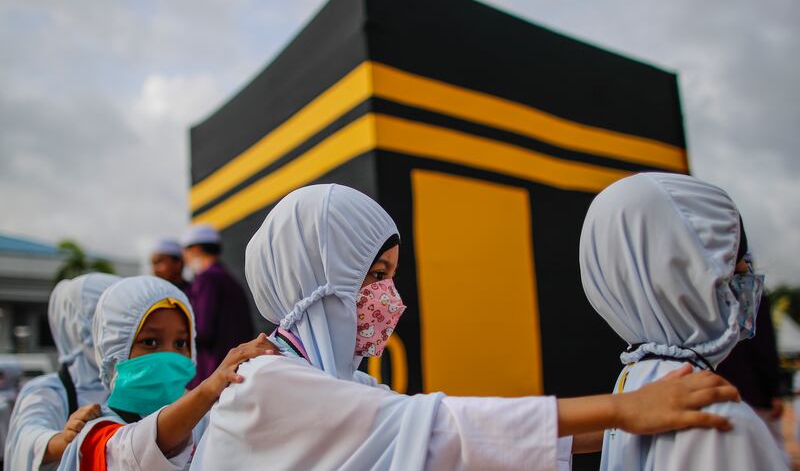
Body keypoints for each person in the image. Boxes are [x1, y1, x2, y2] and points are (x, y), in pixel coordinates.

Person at [191, 184, 740, 471]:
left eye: (391, 276)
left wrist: (631, 419)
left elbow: (466, 440)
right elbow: (439, 427)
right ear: (317, 276)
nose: (388, 296)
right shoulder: (264, 382)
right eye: (375, 275)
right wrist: (621, 410)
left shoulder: (347, 389)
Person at [579, 172, 788, 470]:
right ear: (697, 272)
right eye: (736, 261)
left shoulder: (636, 385)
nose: (746, 276)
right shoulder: (718, 418)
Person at [57, 276, 275, 470]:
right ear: (113, 353)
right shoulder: (94, 433)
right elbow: (135, 450)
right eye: (150, 342)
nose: (170, 355)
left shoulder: (209, 419)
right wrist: (209, 387)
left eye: (181, 343)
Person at [5, 273, 119, 470]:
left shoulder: (131, 384)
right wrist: (67, 438)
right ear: (78, 328)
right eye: (112, 324)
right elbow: (28, 439)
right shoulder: (47, 391)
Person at [181, 224, 255, 387]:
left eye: (185, 252)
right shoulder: (228, 278)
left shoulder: (207, 280)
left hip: (215, 373)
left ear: (196, 250)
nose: (184, 259)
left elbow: (202, 330)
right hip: (237, 370)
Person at [717, 293, 786, 449]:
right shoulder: (752, 295)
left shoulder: (707, 295)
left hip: (719, 391)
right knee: (770, 451)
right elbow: (764, 347)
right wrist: (774, 392)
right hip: (755, 392)